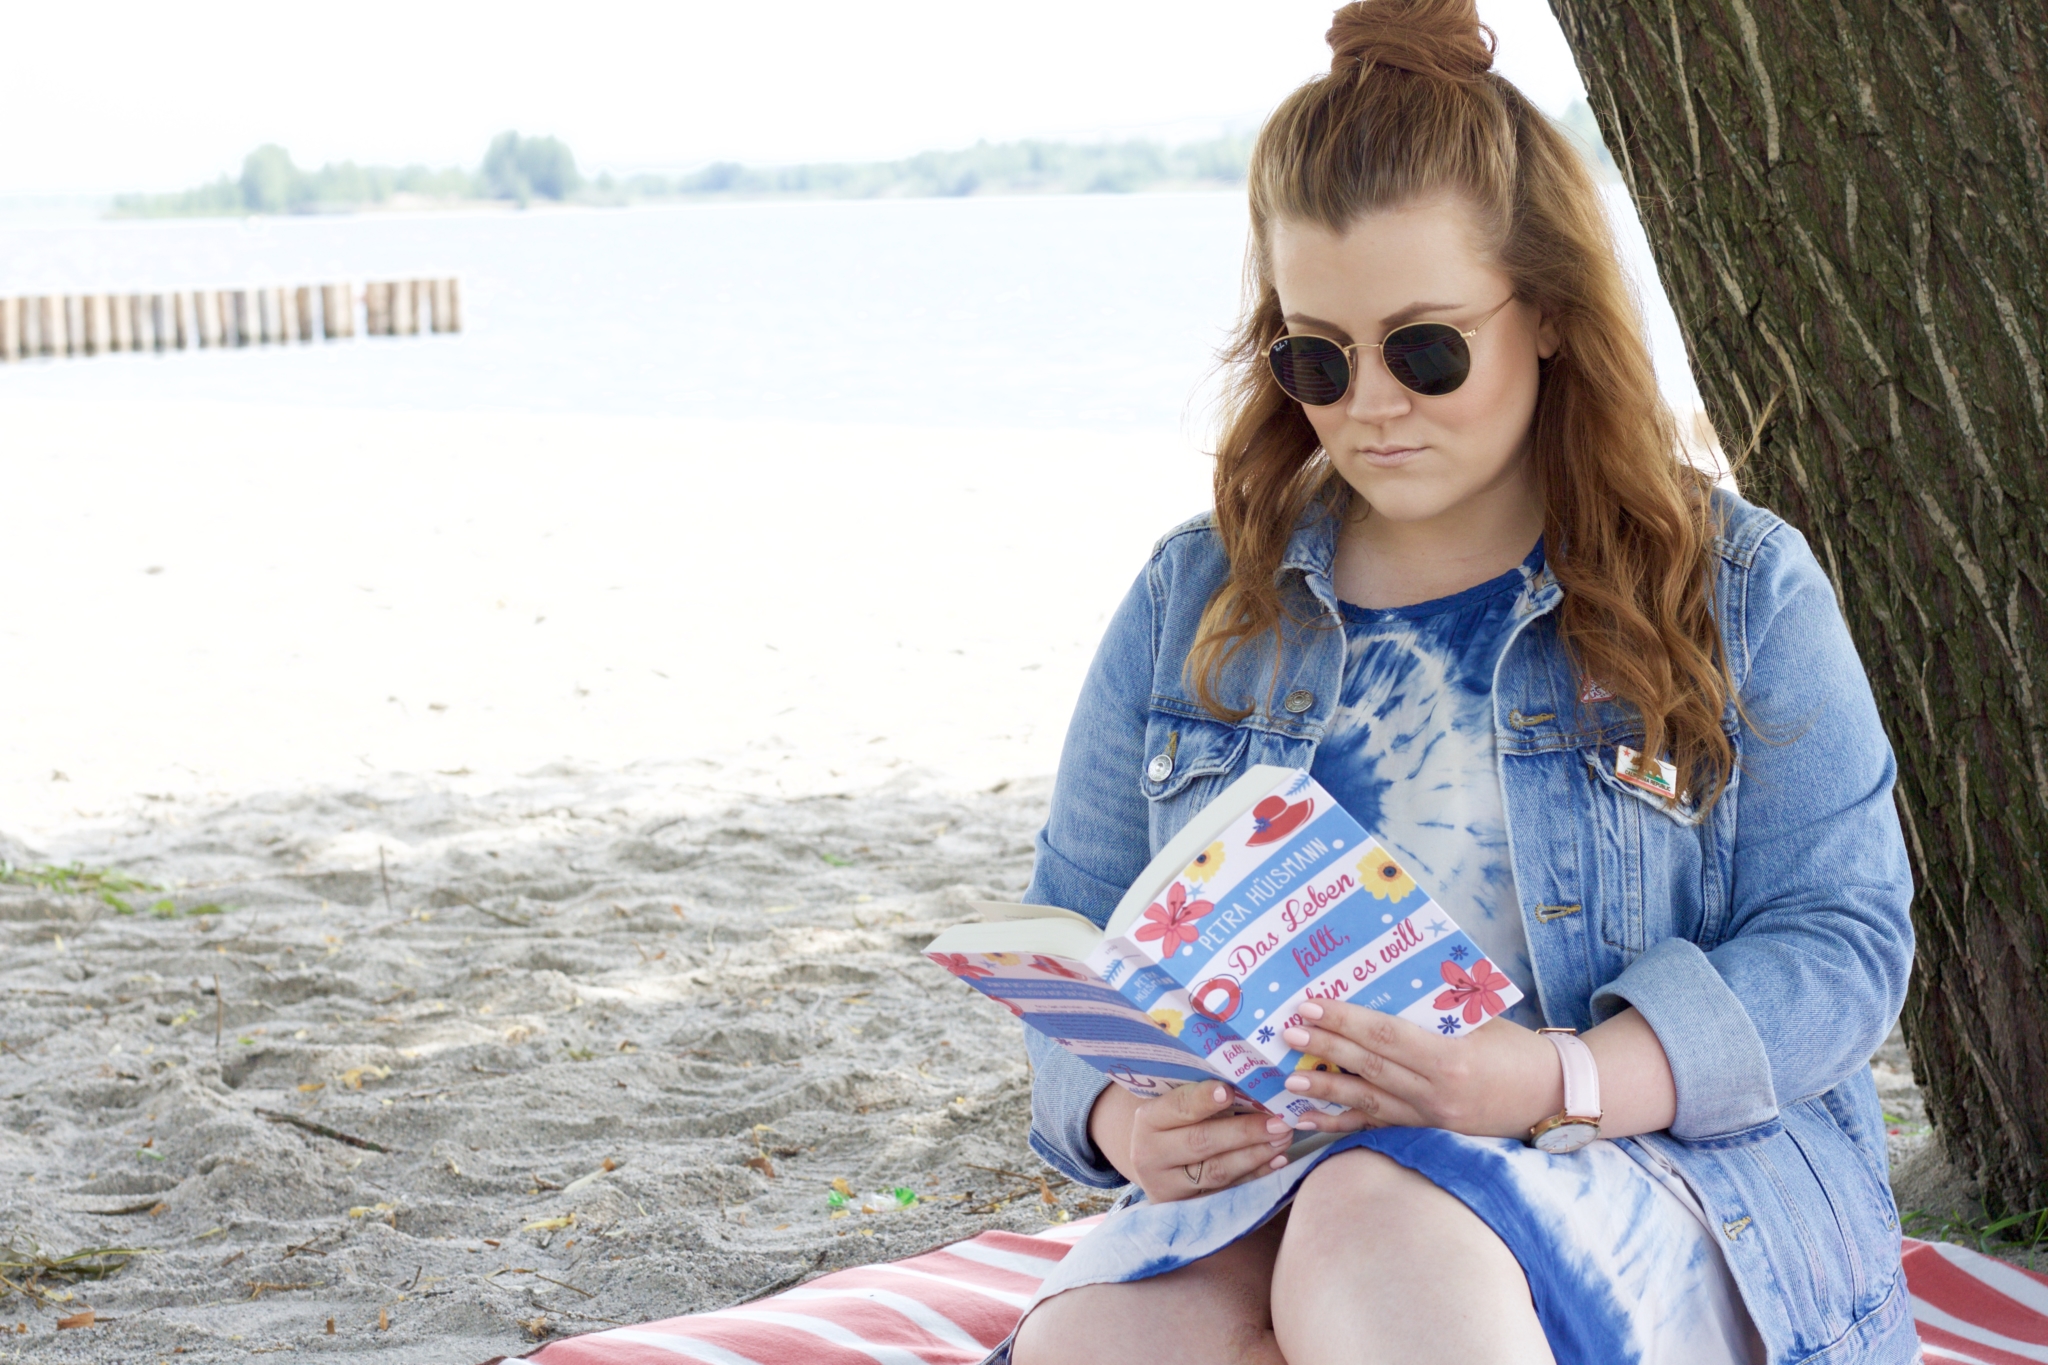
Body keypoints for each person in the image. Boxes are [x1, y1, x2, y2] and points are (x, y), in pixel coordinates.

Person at [999, 2, 1917, 1362]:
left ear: (1544, 310)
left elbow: (1841, 945)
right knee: (1106, 1343)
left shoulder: (1737, 586)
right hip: (1278, 1176)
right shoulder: (1193, 596)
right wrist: (1126, 1118)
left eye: (1426, 349)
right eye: (1317, 356)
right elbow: (1073, 928)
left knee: (1379, 1223)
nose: (1371, 403)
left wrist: (1548, 1074)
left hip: (1653, 1154)